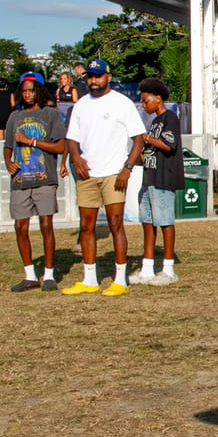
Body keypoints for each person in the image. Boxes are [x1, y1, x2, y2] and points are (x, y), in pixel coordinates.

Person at [61, 58, 144, 296]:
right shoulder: (81, 105)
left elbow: (139, 138)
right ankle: (89, 279)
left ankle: (120, 279)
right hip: (87, 173)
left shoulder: (122, 103)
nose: (92, 81)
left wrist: (127, 167)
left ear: (108, 77)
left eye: (97, 76)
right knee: (86, 226)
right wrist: (75, 158)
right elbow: (71, 138)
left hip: (113, 173)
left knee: (116, 223)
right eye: (89, 76)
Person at [4, 72, 68, 291]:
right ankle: (30, 275)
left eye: (31, 90)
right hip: (20, 180)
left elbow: (60, 146)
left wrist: (32, 141)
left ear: (39, 91)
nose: (27, 94)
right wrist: (8, 162)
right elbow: (8, 147)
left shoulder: (50, 115)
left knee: (46, 224)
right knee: (20, 226)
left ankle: (49, 274)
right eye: (24, 91)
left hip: (44, 179)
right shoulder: (15, 117)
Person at [135, 76, 183, 285]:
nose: (144, 105)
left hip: (164, 176)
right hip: (150, 176)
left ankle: (168, 268)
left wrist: (146, 138)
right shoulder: (154, 121)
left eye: (146, 100)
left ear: (159, 98)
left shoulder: (170, 118)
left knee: (165, 221)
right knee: (147, 221)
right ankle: (147, 267)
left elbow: (168, 145)